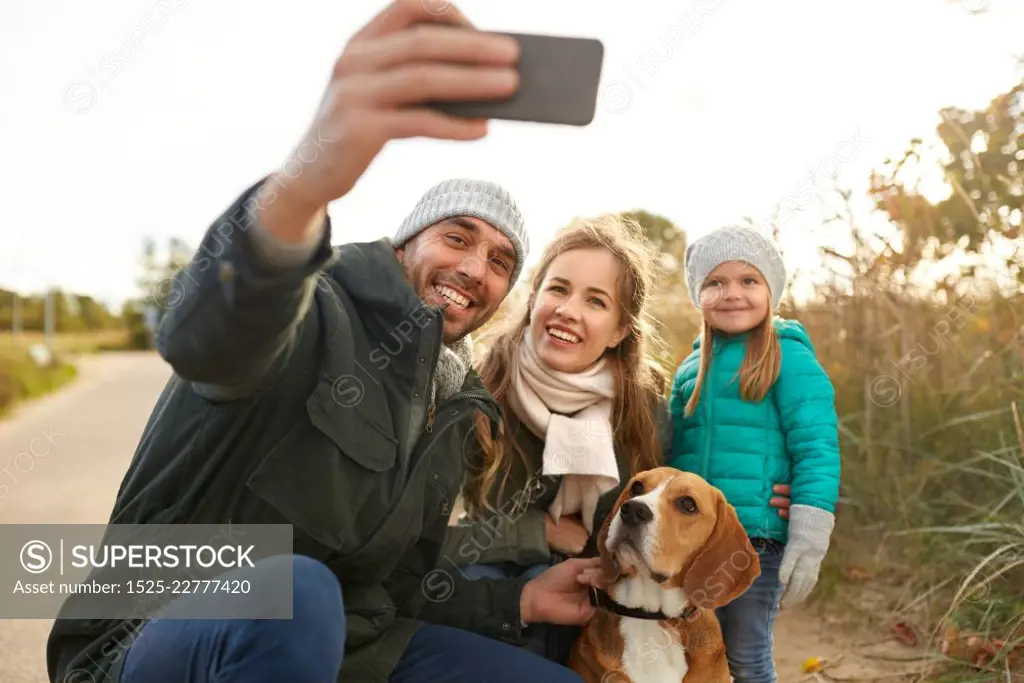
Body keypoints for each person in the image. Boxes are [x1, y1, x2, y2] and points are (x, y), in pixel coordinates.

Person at [45, 3, 602, 683]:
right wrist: (309, 180)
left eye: (499, 261)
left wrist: (517, 597)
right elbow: (206, 337)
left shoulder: (456, 408)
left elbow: (392, 592)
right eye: (457, 237)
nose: (473, 268)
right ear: (406, 245)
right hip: (157, 635)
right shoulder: (314, 309)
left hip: (346, 651)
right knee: (297, 594)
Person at [440, 217, 794, 664]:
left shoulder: (645, 414)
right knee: (473, 573)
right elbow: (416, 545)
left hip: (601, 600)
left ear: (620, 330)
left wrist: (774, 496)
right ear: (532, 299)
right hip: (492, 605)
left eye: (596, 301)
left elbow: (692, 489)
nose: (569, 309)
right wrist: (537, 533)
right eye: (558, 289)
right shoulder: (472, 396)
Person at [666, 224, 841, 683]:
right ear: (697, 294)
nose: (732, 294)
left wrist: (809, 526)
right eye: (715, 283)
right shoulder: (688, 369)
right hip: (692, 540)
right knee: (694, 652)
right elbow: (670, 453)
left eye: (749, 281)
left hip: (753, 541)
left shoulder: (788, 356)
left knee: (744, 652)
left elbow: (816, 445)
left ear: (770, 290)